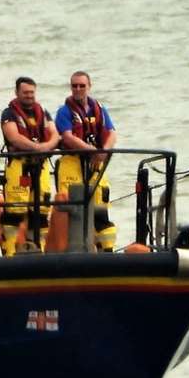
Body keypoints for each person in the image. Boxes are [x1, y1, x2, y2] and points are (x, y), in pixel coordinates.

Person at [54, 71, 118, 251]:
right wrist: (91, 150)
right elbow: (67, 137)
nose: (78, 89)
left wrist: (103, 151)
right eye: (74, 85)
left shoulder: (100, 109)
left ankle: (107, 250)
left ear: (89, 87)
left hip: (96, 164)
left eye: (82, 85)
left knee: (100, 210)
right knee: (71, 209)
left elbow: (112, 132)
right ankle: (70, 250)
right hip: (72, 163)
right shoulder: (64, 112)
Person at [0, 77, 60, 255]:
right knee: (14, 212)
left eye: (32, 92)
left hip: (40, 167)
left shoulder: (43, 112)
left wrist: (45, 147)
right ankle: (9, 252)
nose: (29, 96)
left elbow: (55, 134)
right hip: (19, 167)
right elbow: (13, 137)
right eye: (25, 93)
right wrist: (37, 147)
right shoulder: (8, 114)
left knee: (41, 212)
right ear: (17, 92)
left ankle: (38, 250)